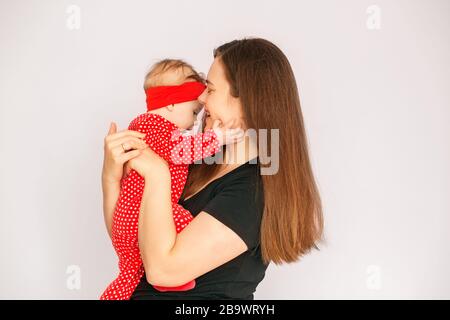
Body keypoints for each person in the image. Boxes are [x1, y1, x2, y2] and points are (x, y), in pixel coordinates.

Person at [101, 38, 324, 300]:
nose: (201, 98)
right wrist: (110, 178)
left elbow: (162, 271)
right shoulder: (194, 165)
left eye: (210, 89)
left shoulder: (253, 192)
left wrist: (156, 174)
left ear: (246, 101)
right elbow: (128, 239)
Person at [100, 59, 243, 300]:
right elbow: (182, 150)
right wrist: (217, 138)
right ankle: (169, 283)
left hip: (126, 219)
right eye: (194, 112)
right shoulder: (157, 128)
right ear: (171, 104)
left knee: (130, 273)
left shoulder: (145, 126)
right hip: (134, 216)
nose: (196, 120)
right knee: (182, 219)